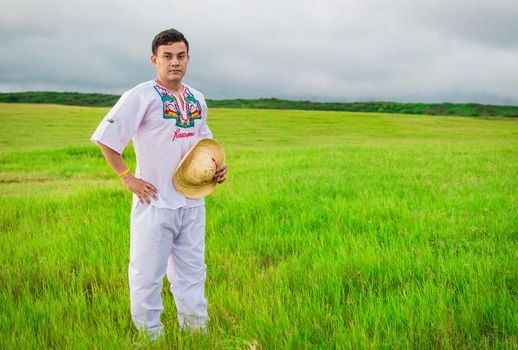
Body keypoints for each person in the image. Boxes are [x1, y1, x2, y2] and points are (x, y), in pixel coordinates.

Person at [90, 28, 227, 338]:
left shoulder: (197, 99)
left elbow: (203, 141)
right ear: (155, 60)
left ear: (188, 59)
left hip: (192, 202)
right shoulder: (140, 96)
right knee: (146, 276)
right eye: (167, 57)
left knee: (192, 274)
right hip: (154, 203)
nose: (174, 62)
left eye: (180, 56)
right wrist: (128, 179)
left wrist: (217, 168)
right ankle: (149, 337)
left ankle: (196, 335)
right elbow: (106, 140)